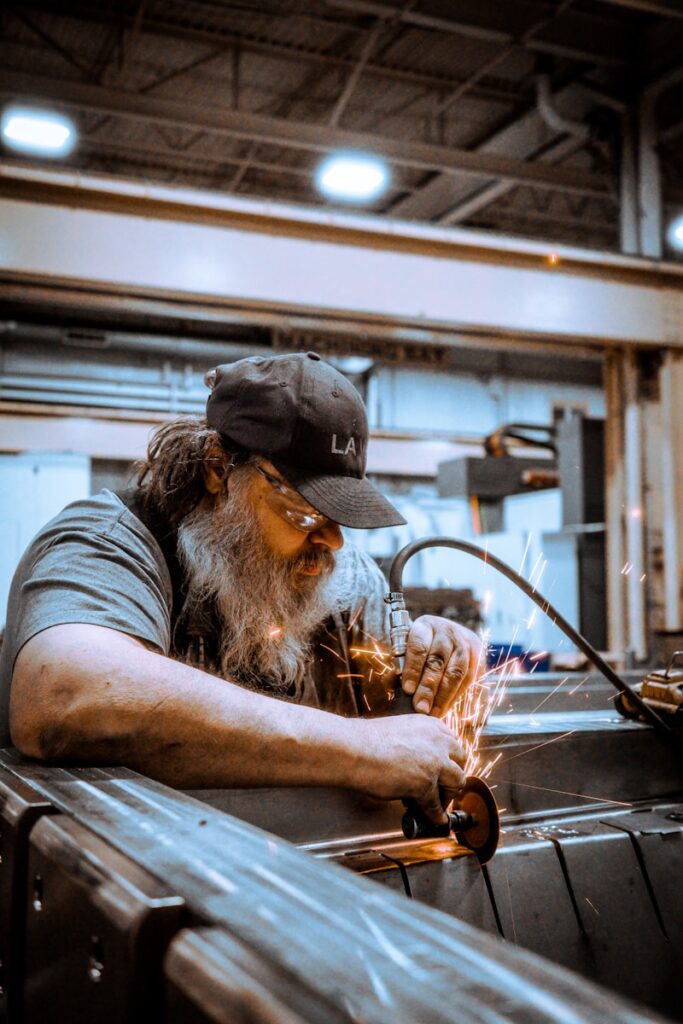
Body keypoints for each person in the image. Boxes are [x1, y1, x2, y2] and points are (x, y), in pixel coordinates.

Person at [0, 352, 482, 825]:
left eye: (340, 517)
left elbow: (399, 709)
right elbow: (63, 692)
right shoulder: (106, 543)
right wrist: (363, 750)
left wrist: (440, 657)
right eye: (304, 512)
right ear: (217, 469)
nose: (331, 541)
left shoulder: (342, 574)